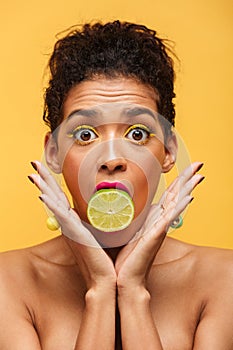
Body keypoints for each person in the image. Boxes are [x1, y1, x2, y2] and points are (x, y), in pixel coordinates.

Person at [0, 20, 232, 350]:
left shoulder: (225, 279)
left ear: (168, 153)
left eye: (137, 134)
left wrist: (134, 290)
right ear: (53, 153)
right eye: (85, 134)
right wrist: (100, 288)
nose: (111, 158)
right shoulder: (7, 282)